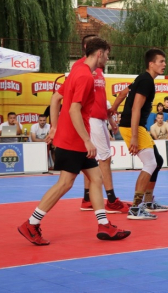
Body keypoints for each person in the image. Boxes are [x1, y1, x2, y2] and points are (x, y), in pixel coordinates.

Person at [18, 38, 131, 245]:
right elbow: (73, 109)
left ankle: (104, 224)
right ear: (99, 54)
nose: (107, 58)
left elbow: (56, 98)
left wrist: (54, 127)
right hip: (74, 139)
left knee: (96, 179)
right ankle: (31, 224)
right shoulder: (85, 76)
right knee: (65, 183)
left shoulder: (77, 71)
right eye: (107, 54)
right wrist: (87, 140)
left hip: (73, 136)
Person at [54, 35, 126, 214]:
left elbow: (100, 97)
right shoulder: (81, 70)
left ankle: (90, 202)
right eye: (107, 53)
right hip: (89, 120)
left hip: (99, 118)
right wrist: (55, 127)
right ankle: (110, 200)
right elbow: (66, 103)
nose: (108, 57)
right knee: (101, 161)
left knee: (91, 168)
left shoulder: (98, 71)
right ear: (93, 49)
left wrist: (109, 118)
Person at [113, 49, 168, 220]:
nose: (164, 64)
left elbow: (123, 93)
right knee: (150, 163)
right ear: (151, 64)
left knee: (157, 161)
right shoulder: (146, 81)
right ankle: (136, 208)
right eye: (161, 61)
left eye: (164, 61)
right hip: (133, 127)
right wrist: (135, 137)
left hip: (135, 126)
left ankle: (148, 201)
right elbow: (136, 108)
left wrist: (113, 109)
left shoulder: (142, 78)